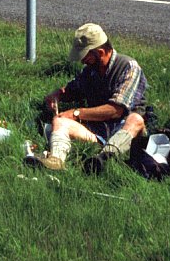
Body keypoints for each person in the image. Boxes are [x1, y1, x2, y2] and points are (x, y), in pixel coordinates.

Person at [37, 22, 148, 172]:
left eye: (86, 57)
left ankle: (104, 159)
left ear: (101, 52)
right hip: (97, 131)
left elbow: (116, 110)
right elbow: (73, 90)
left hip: (126, 131)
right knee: (60, 121)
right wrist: (57, 95)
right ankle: (56, 160)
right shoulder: (90, 70)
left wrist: (76, 113)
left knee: (136, 119)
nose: (83, 61)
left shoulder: (129, 67)